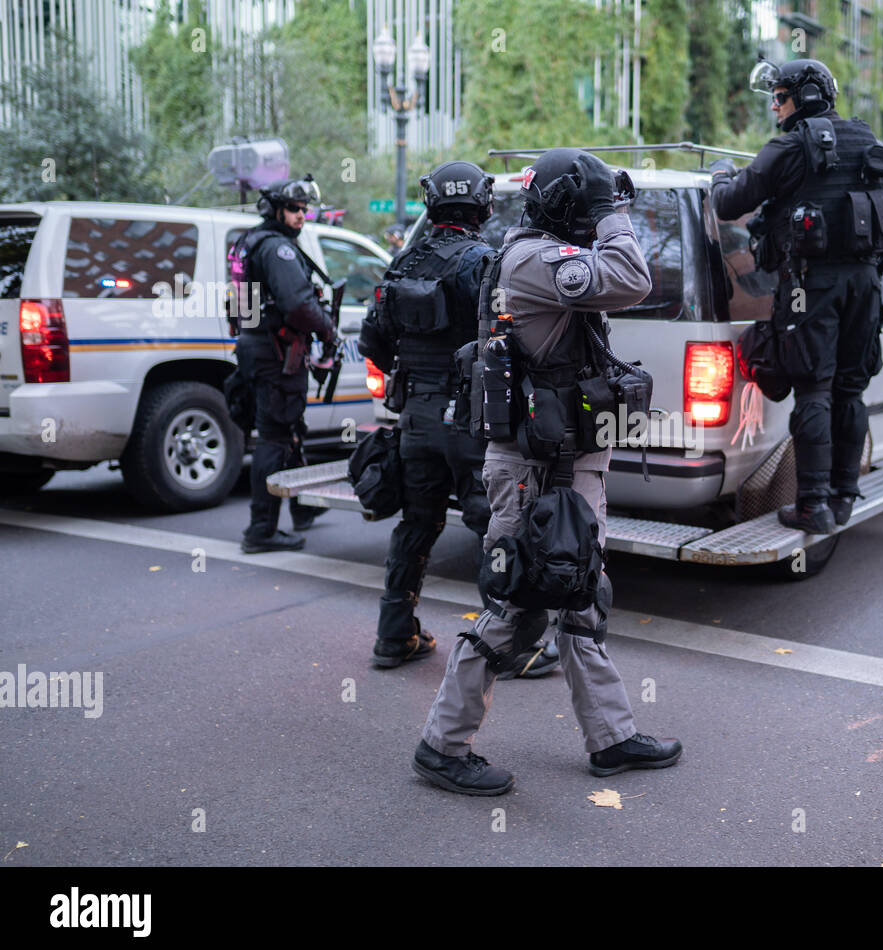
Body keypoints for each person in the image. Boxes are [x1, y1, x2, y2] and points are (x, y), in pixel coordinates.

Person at [411, 148, 681, 796]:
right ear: (570, 206)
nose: (599, 217)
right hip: (537, 470)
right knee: (516, 608)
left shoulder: (544, 252)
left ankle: (611, 737)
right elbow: (633, 276)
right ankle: (441, 745)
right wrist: (612, 213)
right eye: (588, 205)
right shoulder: (532, 260)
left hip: (566, 464)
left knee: (582, 594)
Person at [360, 160, 560, 675]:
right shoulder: (484, 263)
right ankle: (514, 647)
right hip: (471, 419)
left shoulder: (401, 264)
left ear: (432, 203)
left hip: (416, 421)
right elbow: (513, 340)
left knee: (416, 524)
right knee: (494, 528)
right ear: (484, 205)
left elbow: (372, 343)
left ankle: (393, 635)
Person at [711, 58, 883, 532]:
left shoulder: (790, 146)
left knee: (815, 390)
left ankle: (812, 504)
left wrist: (720, 173)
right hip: (867, 284)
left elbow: (728, 202)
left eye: (780, 97)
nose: (775, 107)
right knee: (851, 390)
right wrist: (878, 282)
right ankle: (843, 496)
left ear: (805, 97)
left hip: (811, 285)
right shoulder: (872, 144)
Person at [232, 175, 337, 552]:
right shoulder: (279, 250)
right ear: (276, 209)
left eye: (305, 209)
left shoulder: (249, 242)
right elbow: (298, 305)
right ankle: (261, 530)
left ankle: (303, 508)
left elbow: (242, 307)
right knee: (275, 438)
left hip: (257, 347)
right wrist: (329, 331)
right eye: (294, 209)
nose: (301, 216)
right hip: (276, 354)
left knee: (290, 428)